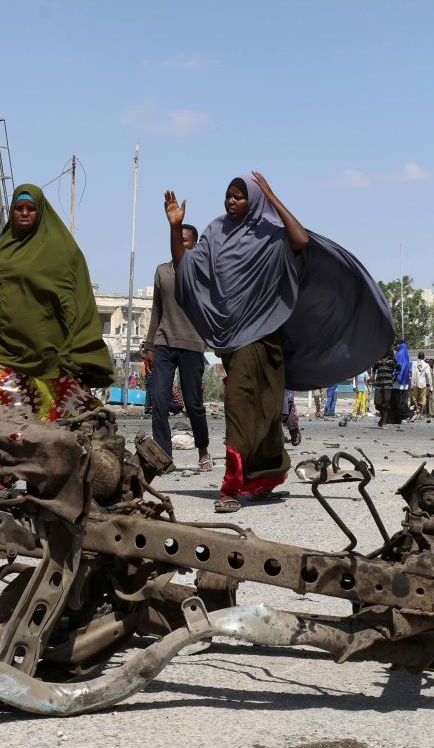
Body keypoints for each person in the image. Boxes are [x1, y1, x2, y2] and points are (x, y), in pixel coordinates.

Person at [168, 174, 392, 513]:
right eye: (228, 196)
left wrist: (272, 197)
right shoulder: (214, 233)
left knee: (266, 412)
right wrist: (175, 227)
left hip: (265, 337)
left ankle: (257, 481)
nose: (231, 202)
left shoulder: (270, 233)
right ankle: (233, 486)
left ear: (253, 201)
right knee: (240, 406)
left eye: (239, 197)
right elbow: (185, 268)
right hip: (232, 339)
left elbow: (300, 240)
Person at [0, 185, 112, 422]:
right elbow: (3, 282)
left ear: (40, 212)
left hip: (45, 351)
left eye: (30, 209)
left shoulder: (62, 251)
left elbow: (77, 297)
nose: (24, 213)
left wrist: (77, 346)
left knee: (50, 413)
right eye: (18, 208)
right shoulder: (5, 245)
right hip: (3, 344)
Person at [141, 222, 212, 472]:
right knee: (159, 401)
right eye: (177, 239)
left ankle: (203, 449)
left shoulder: (203, 273)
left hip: (192, 344)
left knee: (193, 404)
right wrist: (148, 345)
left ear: (195, 245)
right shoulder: (161, 271)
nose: (181, 244)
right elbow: (156, 310)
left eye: (186, 241)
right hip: (163, 343)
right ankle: (163, 456)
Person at [372, 348, 397, 427]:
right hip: (378, 384)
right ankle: (383, 417)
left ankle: (384, 422)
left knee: (386, 403)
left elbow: (398, 368)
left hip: (388, 385)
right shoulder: (378, 360)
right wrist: (372, 376)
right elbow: (374, 368)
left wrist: (394, 378)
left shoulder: (392, 361)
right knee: (377, 403)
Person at [410, 353, 432, 418]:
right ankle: (421, 414)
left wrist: (412, 384)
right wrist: (431, 387)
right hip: (423, 383)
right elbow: (429, 376)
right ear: (424, 357)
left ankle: (417, 409)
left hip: (415, 383)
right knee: (423, 399)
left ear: (418, 356)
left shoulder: (414, 363)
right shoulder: (426, 365)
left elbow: (413, 374)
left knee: (414, 398)